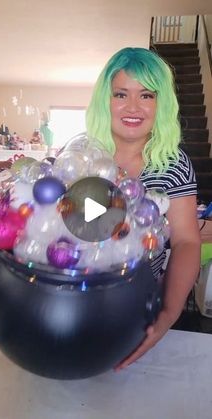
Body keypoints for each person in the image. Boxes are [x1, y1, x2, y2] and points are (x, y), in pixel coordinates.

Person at [86, 47, 201, 369]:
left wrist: (167, 314)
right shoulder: (83, 156)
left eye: (147, 95)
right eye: (121, 94)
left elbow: (186, 241)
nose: (133, 107)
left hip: (139, 305)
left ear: (161, 104)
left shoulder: (173, 165)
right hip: (77, 298)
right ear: (105, 101)